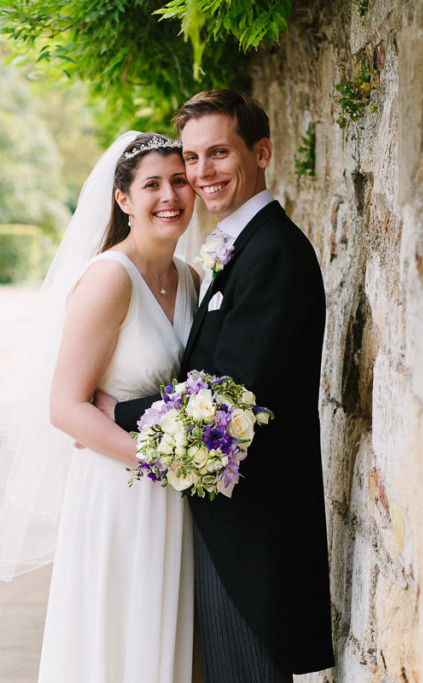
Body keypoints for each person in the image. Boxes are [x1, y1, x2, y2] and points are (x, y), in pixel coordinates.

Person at [103, 89, 335, 680]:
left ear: (261, 152)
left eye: (219, 154)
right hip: (225, 520)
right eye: (192, 158)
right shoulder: (238, 247)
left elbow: (226, 398)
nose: (201, 174)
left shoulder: (274, 254)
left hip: (254, 533)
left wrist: (115, 409)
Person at [0, 131, 203, 682]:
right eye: (152, 184)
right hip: (119, 492)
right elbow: (66, 406)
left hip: (181, 499)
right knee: (120, 638)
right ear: (123, 200)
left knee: (167, 641)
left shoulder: (191, 279)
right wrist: (162, 461)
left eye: (179, 180)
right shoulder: (109, 278)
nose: (169, 195)